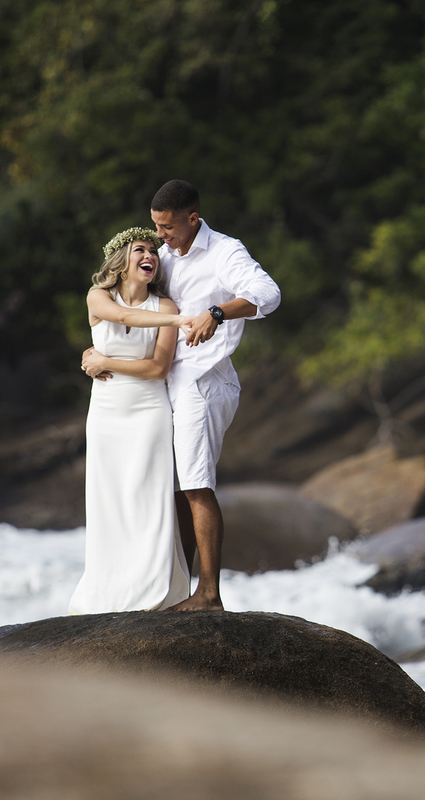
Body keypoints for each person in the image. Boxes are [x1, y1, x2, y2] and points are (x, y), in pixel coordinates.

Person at [150, 179, 281, 611]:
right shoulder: (163, 256)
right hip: (166, 382)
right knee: (172, 490)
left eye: (167, 227)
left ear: (193, 218)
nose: (161, 236)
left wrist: (218, 312)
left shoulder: (226, 251)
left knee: (196, 486)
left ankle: (209, 595)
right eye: (156, 227)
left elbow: (269, 294)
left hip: (206, 382)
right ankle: (181, 588)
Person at [68, 227, 195, 614]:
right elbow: (121, 315)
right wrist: (184, 322)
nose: (150, 256)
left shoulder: (167, 308)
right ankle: (108, 590)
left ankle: (154, 590)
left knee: (148, 495)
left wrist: (105, 362)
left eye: (154, 251)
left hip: (149, 411)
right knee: (109, 498)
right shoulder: (98, 296)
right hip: (106, 412)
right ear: (121, 263)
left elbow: (158, 368)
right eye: (141, 249)